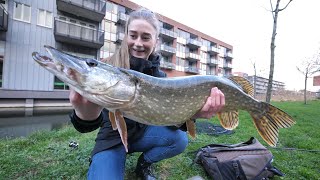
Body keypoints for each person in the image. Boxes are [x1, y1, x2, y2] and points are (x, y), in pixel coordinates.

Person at [69, 8, 225, 180]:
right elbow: (85, 126)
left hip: (142, 134)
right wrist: (85, 116)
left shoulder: (160, 77)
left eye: (145, 37)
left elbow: (172, 121)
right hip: (111, 139)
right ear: (126, 35)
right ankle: (106, 161)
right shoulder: (107, 67)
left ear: (155, 41)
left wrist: (193, 113)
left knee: (179, 140)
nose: (138, 43)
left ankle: (144, 163)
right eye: (133, 35)